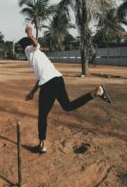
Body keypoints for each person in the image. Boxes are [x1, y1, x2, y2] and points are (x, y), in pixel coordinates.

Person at [19, 25, 112, 153]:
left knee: (42, 116)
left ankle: (42, 145)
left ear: (24, 46)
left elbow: (36, 45)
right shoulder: (38, 57)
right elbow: (40, 77)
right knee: (67, 106)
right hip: (57, 79)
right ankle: (95, 92)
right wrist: (32, 92)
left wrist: (30, 35)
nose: (20, 50)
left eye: (20, 47)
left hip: (49, 84)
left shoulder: (29, 50)